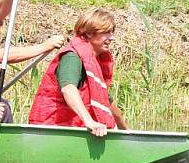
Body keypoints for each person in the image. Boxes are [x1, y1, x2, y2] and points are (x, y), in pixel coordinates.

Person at [28, 8, 129, 136]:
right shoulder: (72, 57)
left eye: (111, 32)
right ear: (89, 33)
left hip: (73, 130)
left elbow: (106, 101)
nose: (111, 38)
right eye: (106, 33)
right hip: (52, 129)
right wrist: (89, 121)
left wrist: (127, 132)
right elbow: (68, 89)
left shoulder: (94, 60)